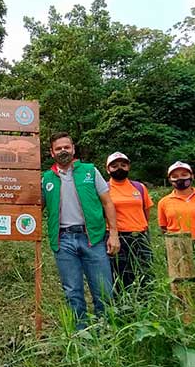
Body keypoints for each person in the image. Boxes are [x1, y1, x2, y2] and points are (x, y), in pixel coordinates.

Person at [41, 132, 119, 329]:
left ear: (73, 149)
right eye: (58, 148)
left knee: (103, 289)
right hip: (63, 240)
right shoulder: (46, 178)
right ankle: (80, 334)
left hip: (92, 237)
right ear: (52, 153)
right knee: (72, 291)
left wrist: (114, 234)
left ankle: (107, 332)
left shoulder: (90, 171)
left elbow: (108, 203)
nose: (63, 151)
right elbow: (35, 207)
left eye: (66, 147)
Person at [105, 152, 154, 293]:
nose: (119, 168)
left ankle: (146, 304)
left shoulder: (139, 187)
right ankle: (123, 309)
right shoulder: (104, 189)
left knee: (146, 273)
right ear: (108, 169)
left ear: (128, 167)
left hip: (140, 236)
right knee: (121, 275)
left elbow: (146, 211)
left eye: (123, 165)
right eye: (114, 166)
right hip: (117, 237)